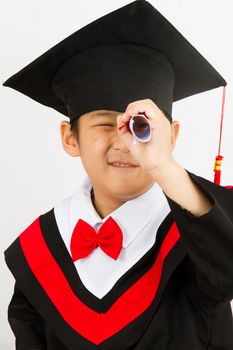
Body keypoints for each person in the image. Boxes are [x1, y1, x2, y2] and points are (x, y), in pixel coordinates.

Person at [3, 1, 233, 349]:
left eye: (140, 127)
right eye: (104, 123)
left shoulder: (202, 230)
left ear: (172, 136)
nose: (124, 143)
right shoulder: (40, 251)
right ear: (70, 138)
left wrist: (164, 167)